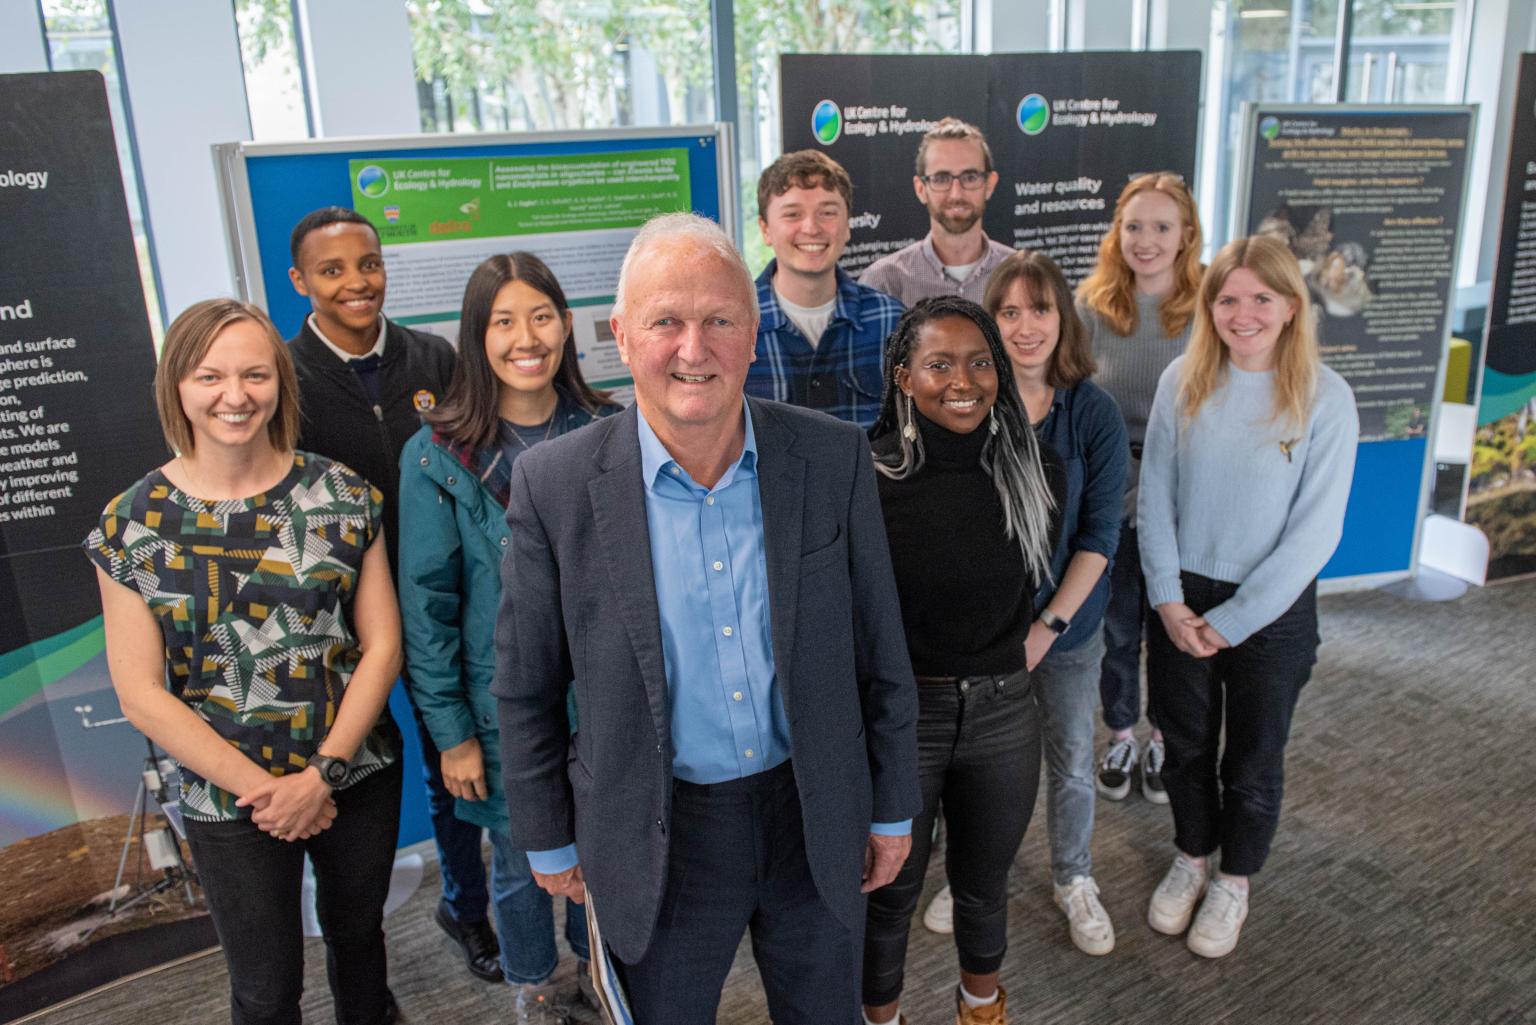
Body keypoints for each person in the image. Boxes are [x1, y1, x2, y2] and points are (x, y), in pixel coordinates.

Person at [494, 212, 921, 1025]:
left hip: (814, 815)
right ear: (621, 335)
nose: (694, 349)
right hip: (658, 829)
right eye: (666, 322)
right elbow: (526, 685)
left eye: (719, 320)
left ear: (752, 333)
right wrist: (547, 834)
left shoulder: (832, 457)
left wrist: (891, 803)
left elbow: (879, 645)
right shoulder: (554, 486)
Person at [85, 299, 403, 1025]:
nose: (236, 395)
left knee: (360, 946)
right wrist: (270, 792)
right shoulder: (130, 525)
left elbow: (382, 646)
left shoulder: (344, 494)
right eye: (211, 375)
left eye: (256, 373)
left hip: (355, 769)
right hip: (225, 797)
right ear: (177, 386)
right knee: (264, 988)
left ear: (280, 382)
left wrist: (322, 773)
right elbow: (140, 692)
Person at [398, 253, 621, 1021]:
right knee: (522, 869)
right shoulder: (436, 453)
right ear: (476, 335)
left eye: (541, 315)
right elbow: (425, 610)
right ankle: (535, 989)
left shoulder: (610, 428)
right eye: (503, 321)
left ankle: (603, 980)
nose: (526, 337)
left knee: (604, 856)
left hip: (603, 701)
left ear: (565, 324)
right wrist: (452, 734)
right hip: (500, 713)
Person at [284, 206, 500, 981]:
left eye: (367, 264)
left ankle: (467, 908)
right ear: (300, 280)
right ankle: (355, 951)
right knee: (355, 774)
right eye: (333, 269)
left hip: (440, 598)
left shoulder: (434, 357)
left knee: (458, 756)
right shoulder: (283, 375)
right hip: (339, 622)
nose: (356, 282)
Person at [1137, 236, 1358, 959]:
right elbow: (1155, 498)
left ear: (1292, 306)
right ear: (1209, 307)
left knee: (1255, 757)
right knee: (1186, 744)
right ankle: (1193, 856)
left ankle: (1235, 877)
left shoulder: (1327, 397)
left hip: (1273, 608)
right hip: (1180, 597)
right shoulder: (1182, 379)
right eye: (1227, 298)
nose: (1243, 312)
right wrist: (1169, 600)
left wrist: (1234, 619)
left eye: (1262, 297)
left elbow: (1314, 534)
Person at [862, 296, 1066, 1025]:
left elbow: (1030, 582)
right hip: (902, 717)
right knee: (887, 891)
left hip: (1004, 710)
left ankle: (981, 1007)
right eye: (939, 363)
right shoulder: (867, 475)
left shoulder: (1032, 467)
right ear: (903, 376)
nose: (965, 380)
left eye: (981, 361)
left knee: (983, 883)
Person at [983, 252, 1129, 956]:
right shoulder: (971, 403)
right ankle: (979, 873)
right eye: (1008, 311)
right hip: (982, 628)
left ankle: (1073, 875)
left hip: (1067, 627)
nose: (1024, 325)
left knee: (1071, 756)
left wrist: (1046, 627)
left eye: (1039, 309)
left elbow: (1100, 538)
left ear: (1062, 317)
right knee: (983, 760)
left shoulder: (1093, 411)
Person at [1075, 171, 1204, 805]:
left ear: (1186, 236)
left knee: (1174, 633)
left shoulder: (1212, 309)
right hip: (1109, 493)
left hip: (1185, 502)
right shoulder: (1091, 306)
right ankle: (1122, 732)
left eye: (1160, 227)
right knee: (1118, 631)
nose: (1145, 240)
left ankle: (1164, 739)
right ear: (1116, 233)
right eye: (1133, 226)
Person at [746, 149, 904, 428]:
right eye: (792, 214)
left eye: (827, 212)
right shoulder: (736, 325)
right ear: (765, 229)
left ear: (847, 226)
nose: (811, 227)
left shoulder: (892, 321)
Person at [860, 117, 1014, 307]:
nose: (956, 193)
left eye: (970, 177)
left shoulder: (1020, 274)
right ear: (921, 189)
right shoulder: (884, 282)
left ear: (989, 185)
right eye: (941, 179)